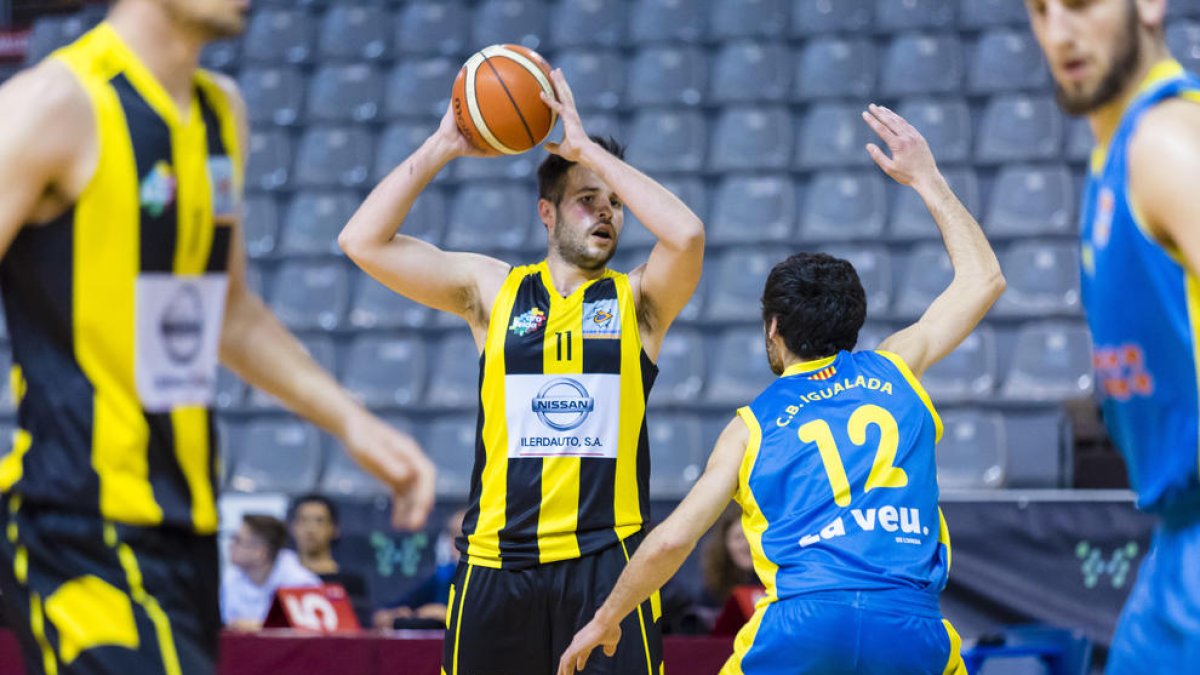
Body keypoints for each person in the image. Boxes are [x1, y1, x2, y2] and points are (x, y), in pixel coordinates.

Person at [0, 1, 434, 673]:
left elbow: (226, 311)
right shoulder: (53, 104)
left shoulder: (219, 115)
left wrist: (351, 422)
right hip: (78, 527)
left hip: (189, 528)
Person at [558, 105, 1005, 675]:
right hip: (912, 626)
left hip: (804, 624)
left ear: (773, 328)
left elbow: (673, 541)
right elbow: (984, 279)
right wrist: (927, 178)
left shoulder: (751, 425)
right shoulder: (897, 367)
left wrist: (607, 617)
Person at [339, 68, 704, 675]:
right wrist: (444, 145)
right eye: (588, 200)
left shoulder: (638, 301)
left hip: (608, 564)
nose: (606, 213)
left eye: (614, 203)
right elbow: (362, 241)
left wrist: (588, 153)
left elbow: (687, 234)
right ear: (547, 212)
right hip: (495, 562)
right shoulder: (492, 289)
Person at [1025, 1, 1200, 671]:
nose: (1059, 33)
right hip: (1176, 542)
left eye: (1079, 4)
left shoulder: (1167, 144)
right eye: (1039, 11)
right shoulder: (1117, 153)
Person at [372, 508, 466, 629]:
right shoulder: (443, 576)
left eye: (465, 535)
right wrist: (402, 614)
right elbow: (383, 614)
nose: (458, 543)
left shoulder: (486, 579)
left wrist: (446, 613)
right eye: (454, 535)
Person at [221, 515, 319, 630]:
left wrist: (260, 627)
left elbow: (311, 633)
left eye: (238, 540)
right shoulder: (230, 578)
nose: (231, 546)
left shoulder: (301, 583)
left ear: (260, 553)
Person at [288, 494, 369, 621]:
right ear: (293, 527)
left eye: (319, 521)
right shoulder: (282, 580)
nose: (310, 529)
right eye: (303, 520)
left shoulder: (350, 583)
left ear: (335, 529)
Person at [700, 507, 761, 612]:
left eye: (751, 536)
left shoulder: (780, 583)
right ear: (725, 544)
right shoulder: (713, 591)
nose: (746, 544)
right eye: (739, 537)